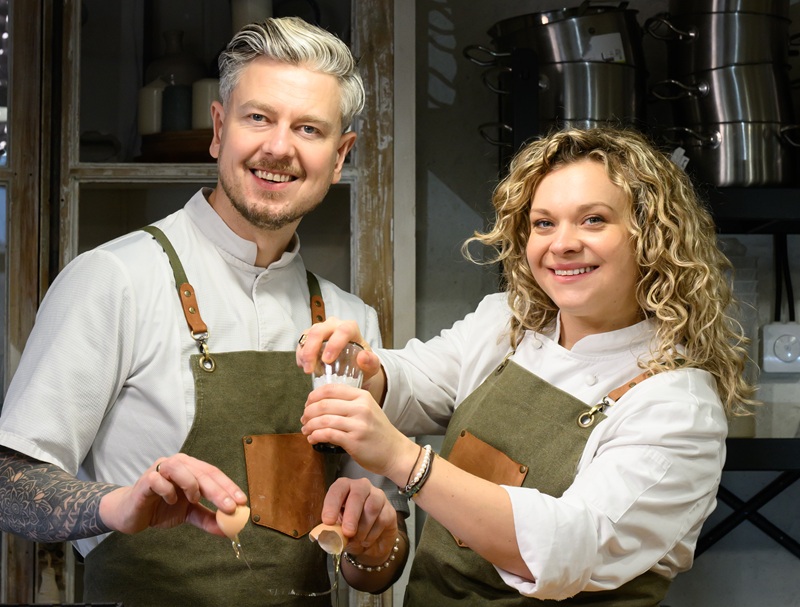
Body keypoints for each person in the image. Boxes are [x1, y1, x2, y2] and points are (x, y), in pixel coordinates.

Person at [0, 17, 408, 606]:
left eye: (309, 128)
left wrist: (377, 542)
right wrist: (116, 503)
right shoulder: (114, 279)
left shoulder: (352, 324)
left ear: (340, 155)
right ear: (219, 130)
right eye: (258, 117)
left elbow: (373, 567)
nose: (279, 147)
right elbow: (10, 483)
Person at [297, 127, 756, 605]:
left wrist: (403, 460)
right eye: (544, 223)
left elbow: (571, 545)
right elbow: (418, 380)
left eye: (594, 220)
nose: (563, 244)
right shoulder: (507, 323)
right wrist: (360, 368)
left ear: (653, 237)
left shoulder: (677, 405)